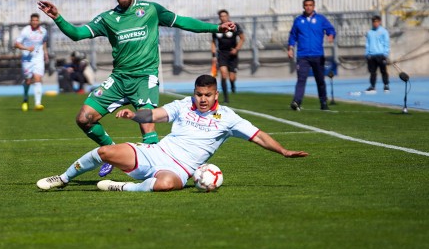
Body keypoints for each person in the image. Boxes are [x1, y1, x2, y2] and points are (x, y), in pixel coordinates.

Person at [37, 0, 236, 177]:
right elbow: (77, 34)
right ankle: (112, 151)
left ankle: (160, 172)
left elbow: (183, 22)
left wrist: (216, 28)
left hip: (144, 78)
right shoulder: (107, 19)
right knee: (84, 118)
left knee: (147, 124)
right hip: (119, 79)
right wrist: (57, 17)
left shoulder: (151, 10)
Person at [36, 74, 308, 192]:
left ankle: (122, 187)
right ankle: (62, 178)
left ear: (216, 94)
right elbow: (154, 115)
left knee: (166, 185)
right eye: (199, 94)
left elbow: (258, 135)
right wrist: (134, 115)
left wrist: (283, 151)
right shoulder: (182, 105)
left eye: (207, 95)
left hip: (180, 169)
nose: (202, 99)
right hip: (156, 153)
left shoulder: (228, 118)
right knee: (105, 152)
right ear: (194, 92)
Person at [287, 0, 336, 111]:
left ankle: (323, 102)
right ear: (303, 6)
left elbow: (330, 29)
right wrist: (290, 48)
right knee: (301, 79)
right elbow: (293, 35)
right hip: (302, 55)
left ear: (314, 6)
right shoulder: (298, 20)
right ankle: (297, 102)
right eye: (306, 5)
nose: (308, 7)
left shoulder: (320, 19)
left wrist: (331, 35)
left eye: (310, 5)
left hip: (317, 54)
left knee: (320, 80)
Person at [14, 13, 49, 111]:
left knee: (38, 79)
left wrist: (45, 53)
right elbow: (16, 44)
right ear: (30, 21)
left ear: (39, 21)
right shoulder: (25, 31)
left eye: (36, 20)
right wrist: (26, 48)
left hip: (38, 58)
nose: (34, 22)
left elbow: (44, 42)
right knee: (28, 80)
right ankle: (25, 99)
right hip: (27, 59)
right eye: (33, 20)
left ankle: (38, 104)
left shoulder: (43, 31)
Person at [211, 9, 245, 103]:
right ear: (219, 18)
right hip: (222, 53)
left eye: (225, 16)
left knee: (232, 77)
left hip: (232, 53)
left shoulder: (235, 26)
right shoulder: (217, 28)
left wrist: (236, 49)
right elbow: (213, 42)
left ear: (228, 16)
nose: (223, 18)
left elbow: (242, 38)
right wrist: (214, 55)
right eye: (221, 16)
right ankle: (226, 98)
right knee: (223, 73)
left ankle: (233, 84)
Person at [365, 15, 390, 93]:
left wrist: (385, 53)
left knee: (383, 71)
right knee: (372, 72)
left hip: (381, 54)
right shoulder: (369, 32)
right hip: (372, 55)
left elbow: (386, 43)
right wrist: (367, 54)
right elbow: (367, 44)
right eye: (373, 22)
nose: (375, 23)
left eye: (376, 22)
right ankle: (372, 86)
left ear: (379, 22)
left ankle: (386, 85)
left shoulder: (384, 31)